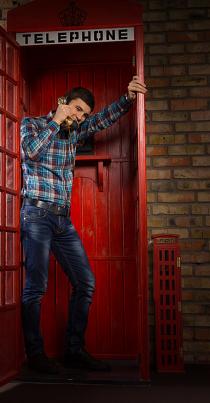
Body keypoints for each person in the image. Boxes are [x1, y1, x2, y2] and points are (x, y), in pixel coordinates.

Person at [20, 76, 147, 374]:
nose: (80, 117)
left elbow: (104, 119)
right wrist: (57, 122)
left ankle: (75, 350)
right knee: (35, 288)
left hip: (62, 219)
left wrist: (127, 99)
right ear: (63, 103)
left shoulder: (75, 132)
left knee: (86, 282)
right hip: (36, 216)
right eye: (77, 110)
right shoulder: (34, 124)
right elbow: (30, 152)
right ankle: (35, 355)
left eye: (84, 114)